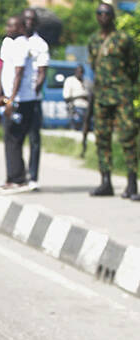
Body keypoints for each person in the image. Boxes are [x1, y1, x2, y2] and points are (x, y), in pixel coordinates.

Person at [87, 3, 139, 199]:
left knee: (128, 138)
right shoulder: (93, 41)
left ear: (113, 16)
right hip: (101, 96)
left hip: (121, 95)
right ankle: (105, 182)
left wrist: (124, 85)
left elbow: (134, 66)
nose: (103, 17)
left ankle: (132, 184)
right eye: (99, 13)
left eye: (106, 14)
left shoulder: (124, 39)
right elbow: (94, 65)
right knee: (102, 139)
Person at [0, 15, 31, 193]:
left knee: (15, 138)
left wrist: (12, 100)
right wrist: (0, 94)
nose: (8, 28)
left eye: (13, 26)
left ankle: (19, 179)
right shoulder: (7, 43)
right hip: (7, 96)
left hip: (20, 100)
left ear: (21, 28)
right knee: (8, 137)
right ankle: (10, 178)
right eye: (7, 25)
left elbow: (19, 73)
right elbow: (3, 69)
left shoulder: (23, 44)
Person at [21, 8, 49, 191]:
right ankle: (17, 176)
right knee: (15, 140)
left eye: (32, 20)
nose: (29, 22)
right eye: (26, 19)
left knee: (34, 138)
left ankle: (33, 176)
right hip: (18, 98)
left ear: (36, 23)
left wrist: (35, 90)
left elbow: (42, 72)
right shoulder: (16, 41)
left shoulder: (41, 45)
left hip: (33, 99)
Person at [63, 64, 90, 131]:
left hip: (87, 107)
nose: (80, 74)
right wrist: (80, 96)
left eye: (81, 72)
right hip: (75, 106)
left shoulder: (87, 82)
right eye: (78, 72)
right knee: (77, 117)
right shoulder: (70, 80)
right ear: (75, 72)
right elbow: (67, 98)